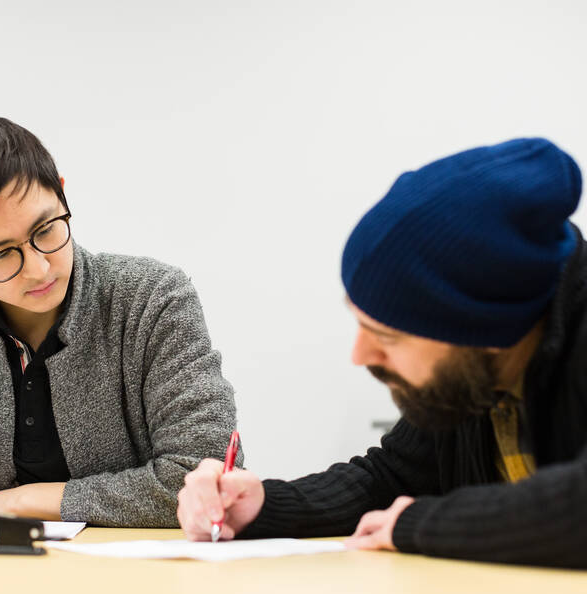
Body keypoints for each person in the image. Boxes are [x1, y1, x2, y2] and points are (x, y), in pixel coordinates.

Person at [177, 137, 587, 568]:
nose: (360, 354)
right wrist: (262, 506)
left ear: (482, 326)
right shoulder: (471, 374)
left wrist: (420, 523)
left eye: (387, 335)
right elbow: (390, 477)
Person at [0, 115, 240, 526]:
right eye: (1, 255)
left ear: (63, 195)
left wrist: (22, 502)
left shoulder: (151, 298)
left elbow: (206, 477)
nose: (39, 267)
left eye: (46, 229)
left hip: (136, 576)